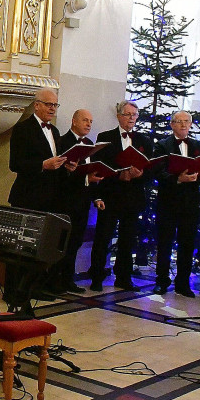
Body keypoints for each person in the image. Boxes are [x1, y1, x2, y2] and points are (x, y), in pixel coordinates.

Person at [5, 88, 75, 304]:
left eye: (55, 105)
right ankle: (12, 291)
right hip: (27, 195)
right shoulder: (22, 129)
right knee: (20, 246)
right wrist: (42, 165)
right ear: (37, 105)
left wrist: (67, 167)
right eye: (48, 104)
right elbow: (15, 164)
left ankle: (33, 287)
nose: (52, 109)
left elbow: (57, 163)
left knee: (40, 247)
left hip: (49, 197)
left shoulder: (54, 131)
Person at [89, 101, 153, 292]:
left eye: (135, 115)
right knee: (103, 237)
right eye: (128, 114)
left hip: (133, 197)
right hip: (111, 194)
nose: (132, 118)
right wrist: (119, 174)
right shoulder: (105, 137)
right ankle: (97, 277)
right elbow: (98, 166)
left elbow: (151, 170)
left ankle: (123, 277)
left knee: (128, 239)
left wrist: (140, 175)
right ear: (119, 116)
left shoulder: (144, 141)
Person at [153, 111, 200, 297]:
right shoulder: (162, 146)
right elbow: (158, 172)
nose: (184, 125)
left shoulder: (199, 145)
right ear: (172, 125)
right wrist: (178, 179)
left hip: (190, 204)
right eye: (179, 122)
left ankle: (183, 282)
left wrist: (198, 175)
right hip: (168, 203)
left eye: (187, 122)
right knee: (165, 243)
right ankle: (162, 280)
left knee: (187, 244)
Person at [55, 109, 100, 294]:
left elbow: (90, 172)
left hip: (83, 202)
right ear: (74, 121)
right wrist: (75, 174)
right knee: (62, 243)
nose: (89, 124)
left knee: (76, 242)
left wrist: (96, 195)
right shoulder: (62, 142)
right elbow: (58, 175)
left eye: (91, 121)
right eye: (85, 120)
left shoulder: (90, 144)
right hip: (66, 200)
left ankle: (68, 279)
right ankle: (56, 280)